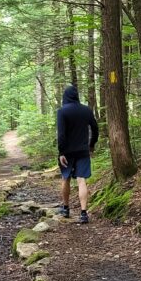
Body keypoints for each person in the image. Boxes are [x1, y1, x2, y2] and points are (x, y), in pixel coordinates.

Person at [56, 84, 99, 224]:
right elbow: (95, 128)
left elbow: (61, 134)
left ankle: (66, 208)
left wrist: (61, 152)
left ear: (65, 96)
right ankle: (83, 213)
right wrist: (92, 144)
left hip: (67, 152)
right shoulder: (86, 110)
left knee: (66, 178)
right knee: (81, 180)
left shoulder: (62, 111)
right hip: (83, 150)